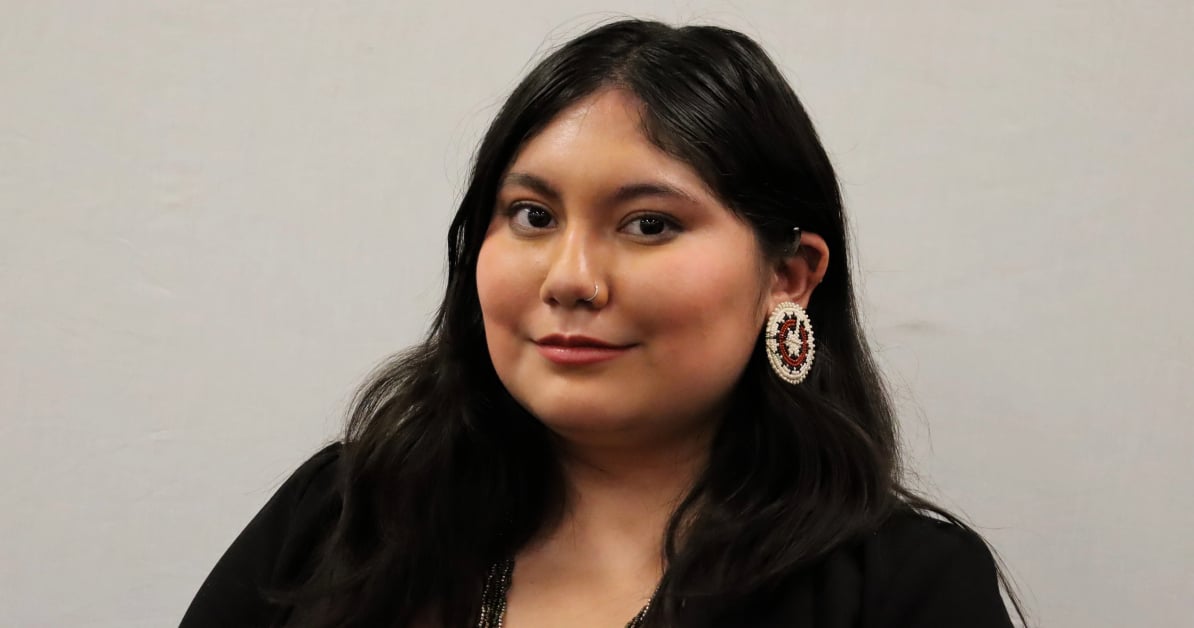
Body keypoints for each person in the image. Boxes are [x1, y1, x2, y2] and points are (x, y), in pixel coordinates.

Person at [180, 18, 1027, 628]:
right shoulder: (341, 518)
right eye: (532, 216)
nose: (571, 279)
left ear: (789, 278)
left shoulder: (903, 589)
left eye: (649, 223)